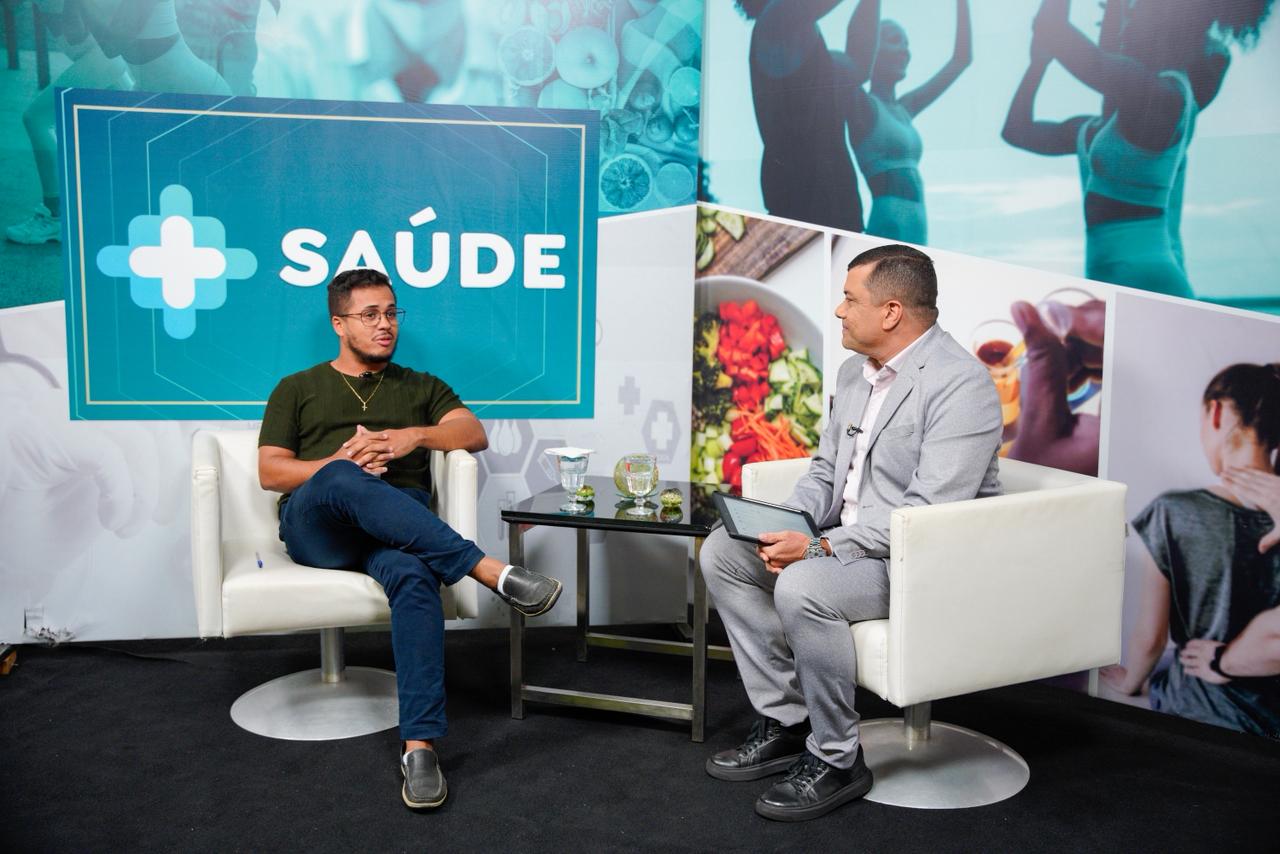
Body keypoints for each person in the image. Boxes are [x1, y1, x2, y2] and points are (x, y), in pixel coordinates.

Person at [699, 244, 1002, 822]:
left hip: (922, 560)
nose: (839, 311)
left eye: (849, 298)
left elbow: (928, 512)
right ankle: (788, 721)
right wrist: (784, 524)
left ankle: (837, 757)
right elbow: (826, 471)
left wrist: (818, 547)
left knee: (804, 585)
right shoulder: (853, 372)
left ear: (891, 311)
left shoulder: (962, 386)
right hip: (855, 544)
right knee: (722, 551)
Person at [257, 268, 563, 809]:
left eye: (391, 312)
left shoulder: (419, 385)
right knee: (340, 478)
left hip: (398, 529)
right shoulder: (298, 387)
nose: (385, 324)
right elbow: (271, 471)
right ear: (339, 323)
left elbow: (473, 432)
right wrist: (339, 463)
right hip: (319, 529)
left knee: (414, 573)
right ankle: (488, 570)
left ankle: (419, 745)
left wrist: (411, 437)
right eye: (369, 315)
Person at [1003, 0, 1274, 299]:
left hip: (1149, 281)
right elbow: (1016, 132)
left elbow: (1054, 30)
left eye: (1131, 16)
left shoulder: (1162, 99)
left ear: (1158, 29)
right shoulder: (1099, 130)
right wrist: (1037, 64)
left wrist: (1049, 43)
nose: (1123, 27)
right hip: (1110, 276)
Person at [1101, 363, 1280, 737]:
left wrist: (1129, 682)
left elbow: (1151, 638)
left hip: (1199, 711)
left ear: (1215, 412)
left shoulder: (1174, 512)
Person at [735, 0, 881, 232]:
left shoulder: (809, 47)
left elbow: (858, 67)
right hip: (801, 214)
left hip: (837, 210)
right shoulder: (777, 16)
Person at [845, 0, 971, 245]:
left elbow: (961, 59)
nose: (905, 50)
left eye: (907, 44)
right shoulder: (863, 106)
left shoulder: (904, 109)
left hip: (918, 219)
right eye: (894, 40)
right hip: (889, 220)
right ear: (872, 48)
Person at [6, 1, 130, 245]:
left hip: (101, 59)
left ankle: (55, 217)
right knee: (128, 131)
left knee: (36, 118)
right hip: (104, 59)